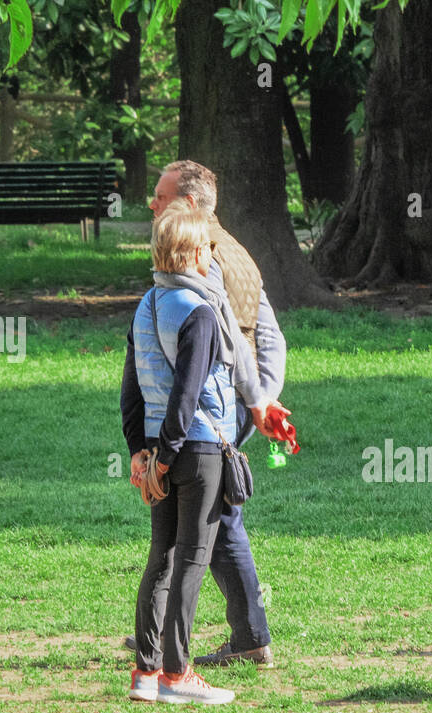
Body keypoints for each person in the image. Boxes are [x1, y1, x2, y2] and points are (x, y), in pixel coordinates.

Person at [124, 159, 288, 668]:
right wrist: (263, 400)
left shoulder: (202, 259)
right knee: (206, 526)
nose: (152, 205)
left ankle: (208, 645)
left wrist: (159, 449)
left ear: (189, 206)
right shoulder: (241, 255)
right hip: (226, 405)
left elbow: (206, 351)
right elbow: (268, 337)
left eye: (161, 196)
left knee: (200, 534)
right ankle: (191, 641)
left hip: (201, 410)